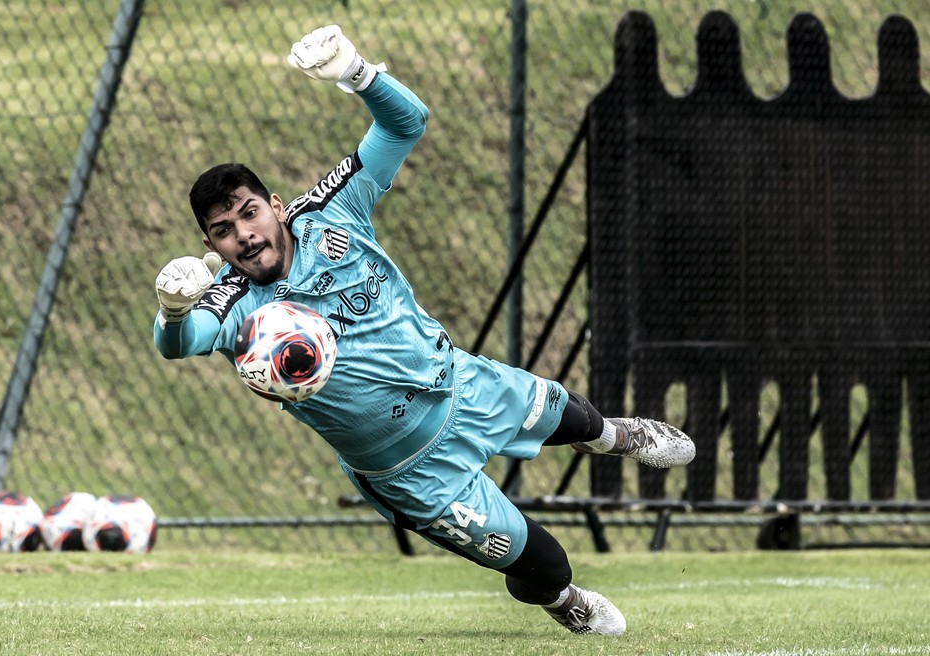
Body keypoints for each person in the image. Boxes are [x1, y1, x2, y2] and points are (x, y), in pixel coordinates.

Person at [153, 25, 695, 636]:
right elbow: (178, 342)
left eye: (249, 213)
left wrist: (357, 71)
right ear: (211, 245)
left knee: (578, 420)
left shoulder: (333, 211)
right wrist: (172, 309)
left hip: (460, 386)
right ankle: (561, 600)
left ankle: (616, 436)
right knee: (545, 564)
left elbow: (404, 125)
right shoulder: (228, 303)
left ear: (275, 205)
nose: (244, 235)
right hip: (407, 471)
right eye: (224, 231)